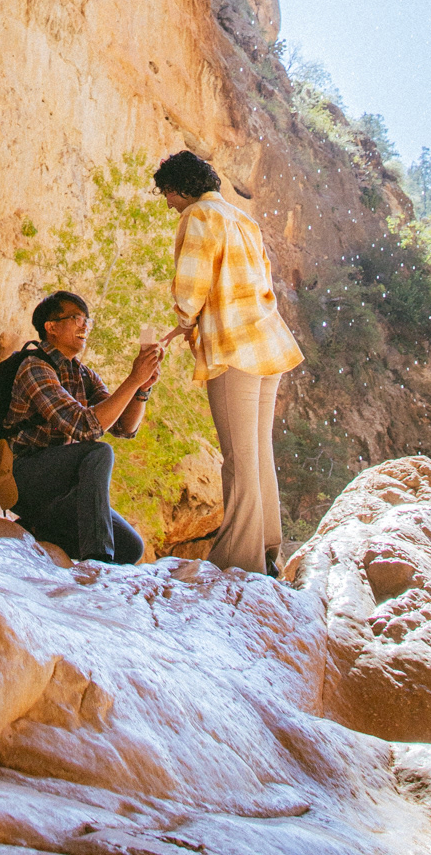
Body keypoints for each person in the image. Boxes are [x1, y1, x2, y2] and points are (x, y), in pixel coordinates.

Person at [155, 150, 303, 575]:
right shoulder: (243, 219)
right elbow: (263, 282)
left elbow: (191, 285)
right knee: (257, 451)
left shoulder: (199, 215)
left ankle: (239, 560)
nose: (168, 203)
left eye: (168, 194)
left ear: (181, 187)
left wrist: (184, 323)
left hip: (233, 346)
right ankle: (268, 549)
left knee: (237, 456)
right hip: (268, 342)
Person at [3, 289, 163, 564]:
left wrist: (142, 388)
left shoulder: (82, 374)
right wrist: (133, 379)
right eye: (76, 319)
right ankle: (97, 559)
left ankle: (36, 528)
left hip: (58, 486)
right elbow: (86, 428)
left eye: (87, 321)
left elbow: (124, 428)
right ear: (51, 328)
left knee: (130, 547)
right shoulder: (34, 367)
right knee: (97, 452)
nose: (84, 326)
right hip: (21, 477)